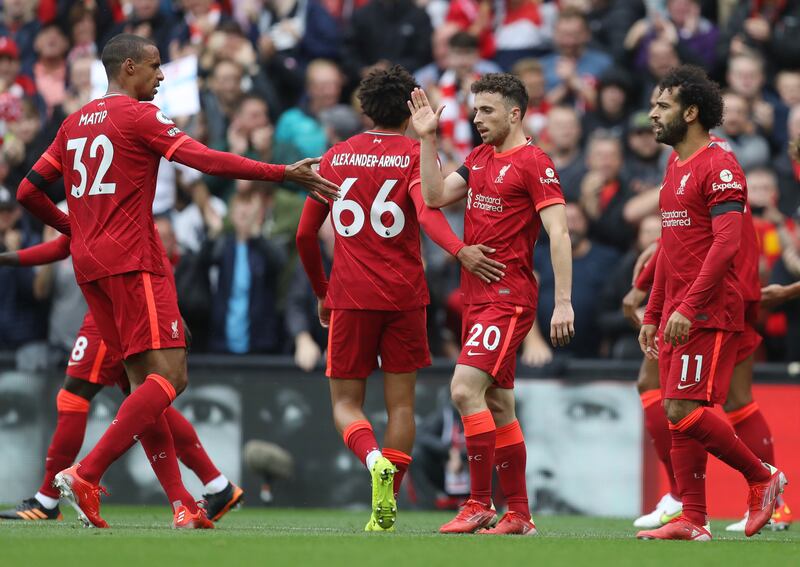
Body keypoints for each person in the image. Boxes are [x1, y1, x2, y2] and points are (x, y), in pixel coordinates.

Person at [15, 33, 338, 530]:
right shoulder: (139, 116)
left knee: (143, 389)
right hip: (134, 260)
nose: (162, 76)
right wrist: (279, 173)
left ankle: (185, 503)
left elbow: (28, 190)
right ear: (127, 68)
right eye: (154, 66)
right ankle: (87, 473)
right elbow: (204, 159)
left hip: (89, 267)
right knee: (172, 378)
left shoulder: (73, 123)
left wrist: (74, 227)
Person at [296, 65, 503, 532]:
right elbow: (429, 216)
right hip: (405, 296)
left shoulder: (335, 157)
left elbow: (306, 236)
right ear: (411, 111)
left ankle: (373, 462)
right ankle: (382, 502)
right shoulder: (414, 154)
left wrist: (322, 293)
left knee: (346, 405)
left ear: (363, 108)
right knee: (402, 408)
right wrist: (458, 249)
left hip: (349, 296)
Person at [410, 72, 575, 535]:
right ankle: (519, 514)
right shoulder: (481, 156)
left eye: (487, 110)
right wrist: (427, 139)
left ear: (515, 112)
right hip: (475, 299)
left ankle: (479, 502)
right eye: (475, 109)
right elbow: (434, 196)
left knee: (463, 390)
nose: (477, 118)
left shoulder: (534, 162)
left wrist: (563, 303)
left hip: (509, 297)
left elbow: (558, 233)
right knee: (500, 406)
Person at [636, 65, 787, 541]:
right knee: (676, 410)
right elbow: (669, 248)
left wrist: (685, 307)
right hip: (679, 310)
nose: (652, 115)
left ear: (692, 111)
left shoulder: (720, 165)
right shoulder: (675, 165)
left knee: (683, 408)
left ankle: (763, 478)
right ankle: (693, 519)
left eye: (662, 106)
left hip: (708, 309)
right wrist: (656, 311)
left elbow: (725, 246)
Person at [0, 236, 242, 523]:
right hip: (120, 296)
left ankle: (51, 497)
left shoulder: (111, 198)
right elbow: (68, 238)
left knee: (77, 395)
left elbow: (32, 195)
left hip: (121, 301)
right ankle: (211, 488)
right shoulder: (99, 200)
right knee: (147, 401)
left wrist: (168, 311)